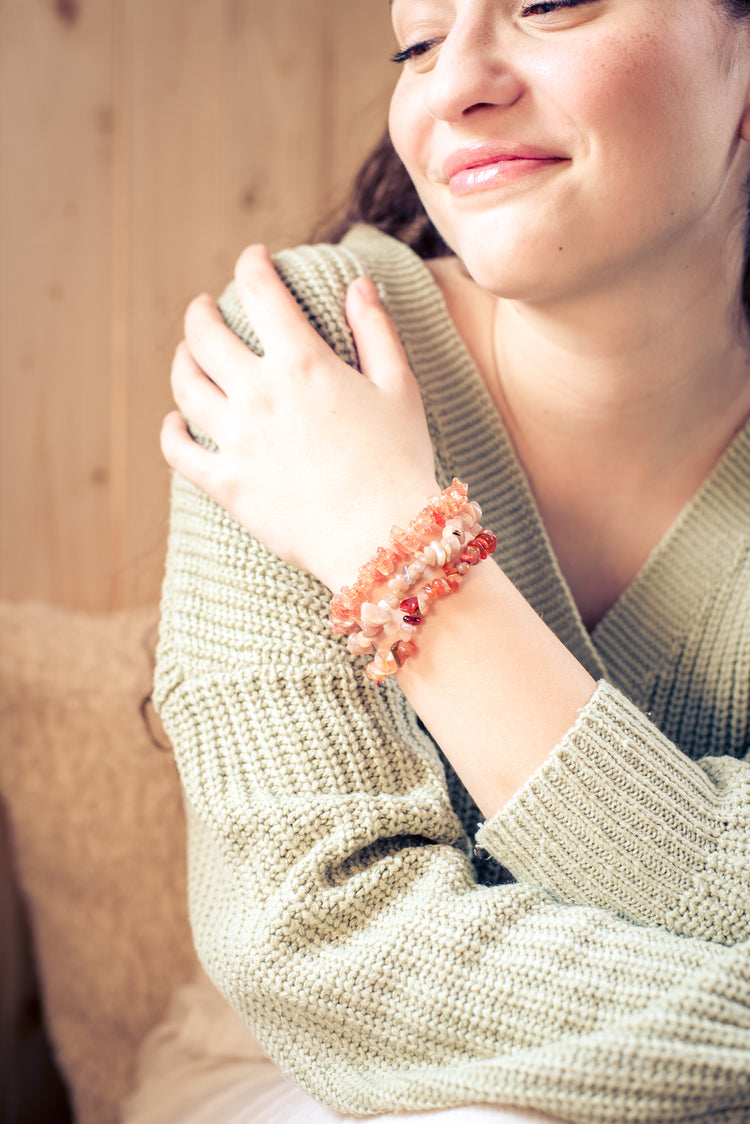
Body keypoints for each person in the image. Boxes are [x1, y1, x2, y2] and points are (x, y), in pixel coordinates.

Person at [146, 1, 750, 1121]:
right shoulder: (297, 355)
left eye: (552, 2)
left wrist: (398, 546)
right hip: (323, 1075)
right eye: (416, 42)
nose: (453, 84)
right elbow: (326, 947)